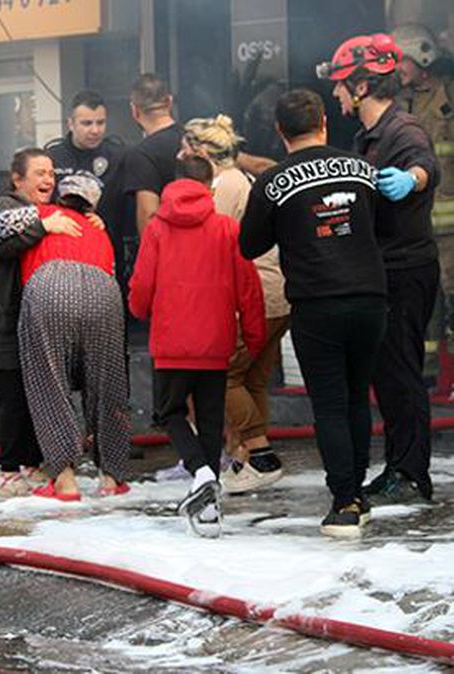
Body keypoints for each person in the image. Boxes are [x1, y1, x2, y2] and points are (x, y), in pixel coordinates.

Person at [240, 88, 387, 538]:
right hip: (370, 297)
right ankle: (357, 492)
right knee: (356, 396)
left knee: (329, 403)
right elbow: (383, 225)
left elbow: (249, 245)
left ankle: (345, 502)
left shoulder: (272, 181)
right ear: (323, 121)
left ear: (280, 131)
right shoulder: (363, 170)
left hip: (316, 303)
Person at [321, 33, 441, 505]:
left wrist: (411, 179)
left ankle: (410, 474)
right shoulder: (368, 135)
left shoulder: (402, 130)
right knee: (387, 375)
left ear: (362, 86)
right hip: (384, 269)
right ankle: (398, 465)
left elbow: (425, 165)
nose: (336, 93)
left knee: (401, 373)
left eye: (341, 84)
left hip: (405, 270)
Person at [129, 156, 266, 537]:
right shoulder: (227, 229)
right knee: (210, 420)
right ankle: (209, 506)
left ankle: (200, 471)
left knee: (169, 412)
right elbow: (249, 289)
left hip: (171, 339)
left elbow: (142, 284)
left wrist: (139, 309)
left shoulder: (157, 229)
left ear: (173, 184)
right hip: (215, 340)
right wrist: (254, 336)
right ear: (210, 186)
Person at [0, 174, 130, 500]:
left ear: (61, 196)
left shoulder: (41, 214)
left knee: (49, 382)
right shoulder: (99, 230)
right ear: (92, 205)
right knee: (106, 385)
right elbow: (112, 270)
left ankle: (64, 480)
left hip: (51, 285)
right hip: (104, 291)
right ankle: (112, 478)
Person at [0, 149, 91, 497]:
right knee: (15, 399)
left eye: (51, 173)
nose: (48, 179)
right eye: (39, 173)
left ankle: (31, 465)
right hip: (2, 321)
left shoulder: (51, 211)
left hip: (36, 322)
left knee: (36, 395)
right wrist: (42, 227)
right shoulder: (4, 207)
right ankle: (8, 471)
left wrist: (90, 223)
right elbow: (0, 245)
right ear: (17, 179)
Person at [179, 114, 290, 494]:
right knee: (253, 379)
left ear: (200, 151)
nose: (180, 156)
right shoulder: (242, 179)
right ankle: (247, 459)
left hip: (254, 294)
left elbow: (214, 241)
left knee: (225, 375)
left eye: (185, 148)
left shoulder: (224, 185)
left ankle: (260, 455)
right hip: (276, 294)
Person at [0, 89, 124, 248]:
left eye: (100, 123)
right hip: (57, 247)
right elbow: (12, 192)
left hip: (105, 246)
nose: (95, 130)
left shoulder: (118, 156)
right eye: (86, 123)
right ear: (70, 124)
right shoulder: (51, 157)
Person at [394, 24, 454, 394]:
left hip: (450, 230)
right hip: (416, 227)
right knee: (423, 304)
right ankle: (427, 375)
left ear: (422, 57)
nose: (398, 68)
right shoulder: (399, 103)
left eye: (402, 60)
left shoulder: (448, 94)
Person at [123, 73, 183, 236]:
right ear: (169, 102)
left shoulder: (142, 155)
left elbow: (148, 216)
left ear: (134, 110)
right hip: (202, 242)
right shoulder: (194, 139)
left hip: (169, 245)